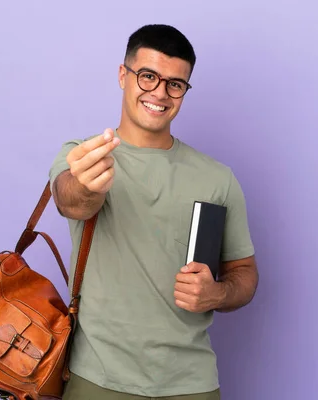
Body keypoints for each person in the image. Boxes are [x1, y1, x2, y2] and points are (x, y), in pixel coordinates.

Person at [49, 24, 258, 400]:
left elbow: (245, 274)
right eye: (147, 76)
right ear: (122, 76)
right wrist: (86, 185)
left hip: (191, 384)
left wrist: (218, 293)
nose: (160, 93)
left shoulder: (218, 178)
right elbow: (72, 200)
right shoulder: (84, 156)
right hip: (95, 377)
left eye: (175, 84)